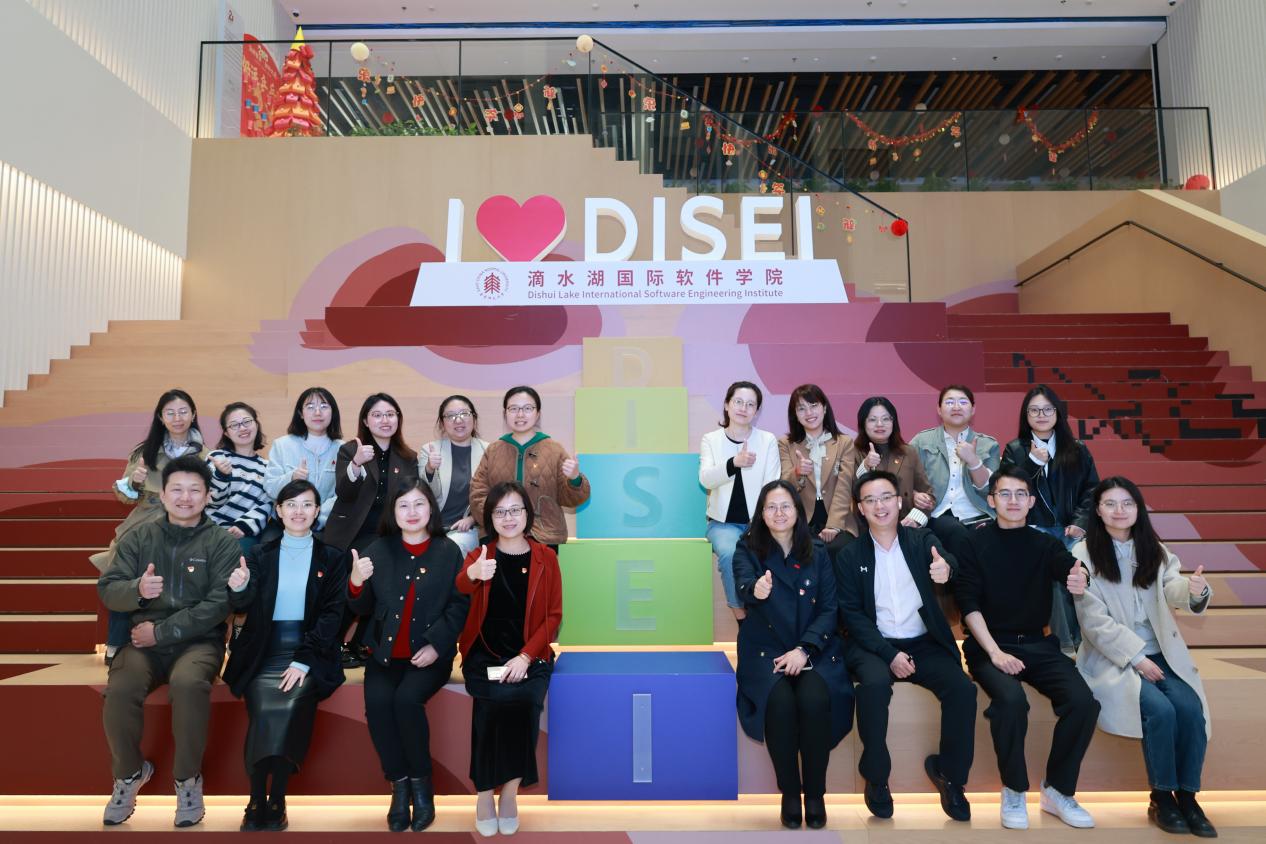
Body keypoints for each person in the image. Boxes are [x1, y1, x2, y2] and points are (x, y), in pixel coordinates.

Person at [953, 466, 1100, 831]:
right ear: (991, 501)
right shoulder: (972, 543)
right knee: (1011, 702)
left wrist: (1080, 575)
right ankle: (1014, 789)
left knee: (1083, 702)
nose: (1013, 501)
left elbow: (1070, 567)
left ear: (1032, 501)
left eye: (1021, 494)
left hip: (1038, 643)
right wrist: (995, 653)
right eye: (1005, 494)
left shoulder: (1044, 543)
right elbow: (968, 604)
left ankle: (1057, 791)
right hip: (989, 645)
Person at [97, 455, 238, 828]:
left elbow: (218, 605)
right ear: (162, 495)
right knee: (120, 689)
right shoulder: (139, 537)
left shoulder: (222, 543)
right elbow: (108, 588)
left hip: (198, 643)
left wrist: (161, 632)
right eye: (177, 489)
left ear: (207, 496)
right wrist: (137, 591)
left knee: (189, 685)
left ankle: (187, 781)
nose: (185, 498)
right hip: (143, 642)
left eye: (194, 490)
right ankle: (129, 773)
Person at [1072, 477, 1216, 837]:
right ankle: (1161, 797)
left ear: (1138, 509)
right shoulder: (1083, 554)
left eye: (1127, 503)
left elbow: (1173, 588)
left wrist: (1194, 590)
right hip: (1114, 657)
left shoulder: (1156, 550)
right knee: (1161, 710)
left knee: (1190, 708)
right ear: (1098, 510)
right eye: (1110, 504)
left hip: (1161, 652)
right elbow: (1093, 621)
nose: (1119, 511)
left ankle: (1188, 797)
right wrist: (1136, 657)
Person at [835, 470, 976, 822]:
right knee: (873, 686)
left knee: (962, 689)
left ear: (900, 502)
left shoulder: (920, 539)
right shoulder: (850, 555)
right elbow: (852, 615)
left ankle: (951, 776)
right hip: (874, 645)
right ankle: (876, 776)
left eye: (886, 497)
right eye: (870, 500)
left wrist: (946, 569)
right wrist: (889, 654)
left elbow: (946, 561)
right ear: (860, 508)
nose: (879, 506)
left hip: (924, 643)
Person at [222, 479, 347, 832]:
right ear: (278, 510)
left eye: (307, 504)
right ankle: (255, 799)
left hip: (310, 650)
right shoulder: (259, 554)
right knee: (263, 707)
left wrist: (303, 659)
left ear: (317, 511)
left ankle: (276, 797)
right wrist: (239, 588)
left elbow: (332, 616)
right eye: (291, 504)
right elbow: (242, 604)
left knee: (291, 703)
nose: (298, 511)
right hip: (262, 651)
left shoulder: (332, 558)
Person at [347, 479, 470, 832]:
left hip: (429, 656)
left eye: (419, 504)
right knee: (378, 705)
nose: (412, 512)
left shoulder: (448, 551)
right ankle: (399, 787)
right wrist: (356, 581)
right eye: (403, 505)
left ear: (431, 509)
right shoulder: (378, 549)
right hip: (385, 655)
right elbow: (361, 607)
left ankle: (422, 786)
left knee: (405, 701)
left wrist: (437, 645)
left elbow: (459, 605)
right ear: (394, 512)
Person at [733, 480, 853, 830]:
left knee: (815, 701)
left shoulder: (818, 552)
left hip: (813, 648)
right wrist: (755, 589)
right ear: (761, 513)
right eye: (771, 507)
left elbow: (829, 609)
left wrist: (804, 649)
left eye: (786, 506)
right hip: (765, 650)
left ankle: (814, 793)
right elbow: (743, 584)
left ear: (798, 512)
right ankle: (789, 792)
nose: (779, 513)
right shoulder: (747, 548)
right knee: (780, 703)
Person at [457, 481, 562, 837]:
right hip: (484, 655)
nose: (508, 518)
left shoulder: (546, 558)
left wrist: (526, 656)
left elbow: (553, 616)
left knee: (524, 702)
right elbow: (460, 586)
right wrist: (472, 575)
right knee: (488, 708)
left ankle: (511, 793)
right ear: (490, 518)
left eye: (515, 510)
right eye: (500, 512)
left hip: (529, 656)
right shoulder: (480, 555)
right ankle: (485, 794)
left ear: (527, 514)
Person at [91, 389, 206, 665]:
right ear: (160, 417)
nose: (177, 418)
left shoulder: (205, 455)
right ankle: (116, 643)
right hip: (145, 521)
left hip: (185, 525)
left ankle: (178, 643)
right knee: (124, 579)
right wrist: (135, 481)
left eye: (183, 411)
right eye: (170, 413)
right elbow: (124, 496)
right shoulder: (145, 452)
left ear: (193, 415)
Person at [999, 385, 1101, 652]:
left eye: (1047, 409)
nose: (1041, 415)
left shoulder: (1077, 449)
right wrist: (1032, 463)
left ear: (1058, 413)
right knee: (1055, 571)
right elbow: (1008, 490)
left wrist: (1079, 523)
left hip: (1071, 530)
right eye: (1034, 410)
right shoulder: (1015, 450)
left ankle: (1089, 643)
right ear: (1026, 415)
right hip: (1033, 530)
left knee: (1079, 570)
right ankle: (1068, 646)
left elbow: (1092, 491)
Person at [326, 393, 418, 666]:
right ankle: (333, 643)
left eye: (390, 414)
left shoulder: (408, 457)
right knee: (366, 573)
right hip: (352, 534)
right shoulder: (350, 450)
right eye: (377, 415)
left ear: (398, 419)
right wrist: (355, 464)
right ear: (366, 421)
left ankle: (361, 643)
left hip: (389, 535)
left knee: (388, 578)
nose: (384, 420)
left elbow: (412, 499)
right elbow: (344, 492)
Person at [468, 386, 590, 549]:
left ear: (538, 413)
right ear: (505, 414)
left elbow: (573, 499)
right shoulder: (493, 450)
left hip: (544, 536)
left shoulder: (554, 450)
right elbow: (477, 493)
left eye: (527, 408)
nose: (520, 414)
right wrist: (501, 519)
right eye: (513, 409)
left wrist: (574, 479)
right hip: (498, 535)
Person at [700, 381, 781, 621]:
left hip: (760, 524)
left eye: (750, 404)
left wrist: (762, 524)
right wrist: (733, 464)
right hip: (722, 524)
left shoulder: (767, 440)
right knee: (729, 553)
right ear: (726, 405)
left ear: (757, 411)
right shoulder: (711, 439)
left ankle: (772, 618)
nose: (743, 408)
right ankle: (741, 616)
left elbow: (772, 484)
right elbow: (705, 479)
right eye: (738, 402)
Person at [910, 385, 1000, 560]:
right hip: (936, 514)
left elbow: (991, 491)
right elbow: (902, 479)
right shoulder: (921, 441)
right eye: (950, 402)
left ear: (973, 409)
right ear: (939, 409)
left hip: (978, 515)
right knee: (957, 534)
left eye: (963, 402)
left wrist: (973, 461)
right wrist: (914, 494)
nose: (956, 407)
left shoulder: (988, 444)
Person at [777, 384, 856, 554]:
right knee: (805, 552)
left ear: (824, 408)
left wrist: (834, 525)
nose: (809, 413)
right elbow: (784, 486)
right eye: (801, 408)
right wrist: (797, 473)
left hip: (838, 517)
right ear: (795, 414)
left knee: (841, 548)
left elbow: (844, 487)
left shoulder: (844, 442)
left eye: (814, 406)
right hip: (801, 519)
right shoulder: (785, 444)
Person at [262, 387, 345, 535]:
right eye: (310, 407)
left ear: (333, 412)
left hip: (323, 525)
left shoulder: (342, 449)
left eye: (324, 406)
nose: (317, 412)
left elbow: (342, 494)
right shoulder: (282, 445)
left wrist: (317, 518)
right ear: (301, 413)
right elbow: (270, 487)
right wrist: (291, 478)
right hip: (284, 525)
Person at [422, 394, 488, 557]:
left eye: (464, 413)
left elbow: (493, 495)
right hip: (432, 528)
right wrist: (430, 469)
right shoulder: (429, 450)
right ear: (442, 423)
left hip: (469, 528)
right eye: (451, 416)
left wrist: (473, 519)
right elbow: (424, 496)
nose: (458, 420)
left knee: (450, 549)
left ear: (474, 418)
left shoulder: (488, 451)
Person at [206, 401, 271, 554]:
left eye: (247, 421)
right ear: (226, 433)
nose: (242, 428)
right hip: (208, 527)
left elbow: (267, 505)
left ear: (256, 424)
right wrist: (221, 475)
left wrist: (244, 526)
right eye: (234, 425)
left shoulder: (268, 467)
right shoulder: (217, 457)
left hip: (243, 533)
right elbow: (212, 501)